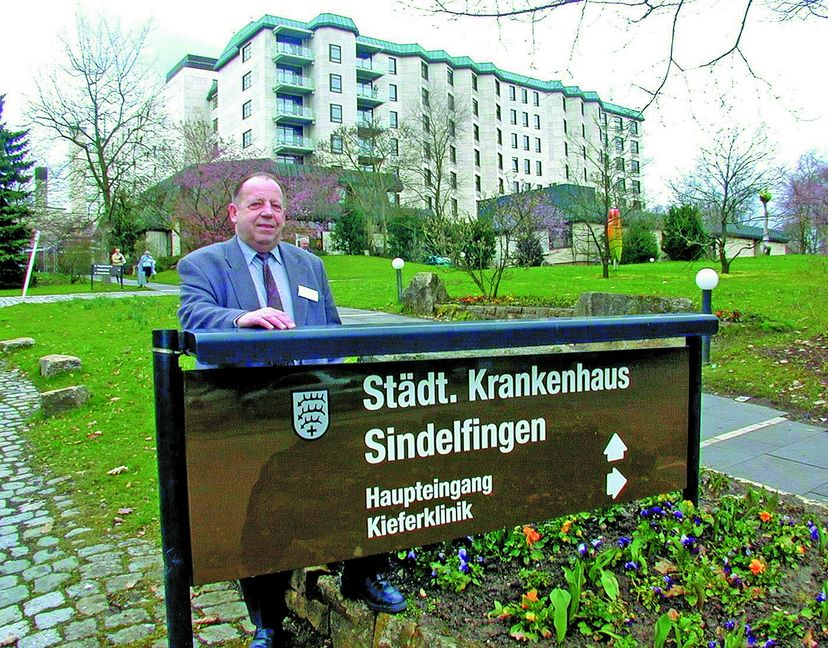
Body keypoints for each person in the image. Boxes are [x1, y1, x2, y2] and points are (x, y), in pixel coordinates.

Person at [177, 172, 405, 648]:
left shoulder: (308, 265)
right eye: (256, 203)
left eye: (276, 205)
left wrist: (341, 385)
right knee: (257, 507)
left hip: (313, 399)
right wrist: (239, 319)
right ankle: (268, 621)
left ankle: (361, 573)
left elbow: (333, 331)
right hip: (249, 407)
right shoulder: (204, 264)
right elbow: (193, 317)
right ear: (234, 212)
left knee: (374, 464)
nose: (268, 213)